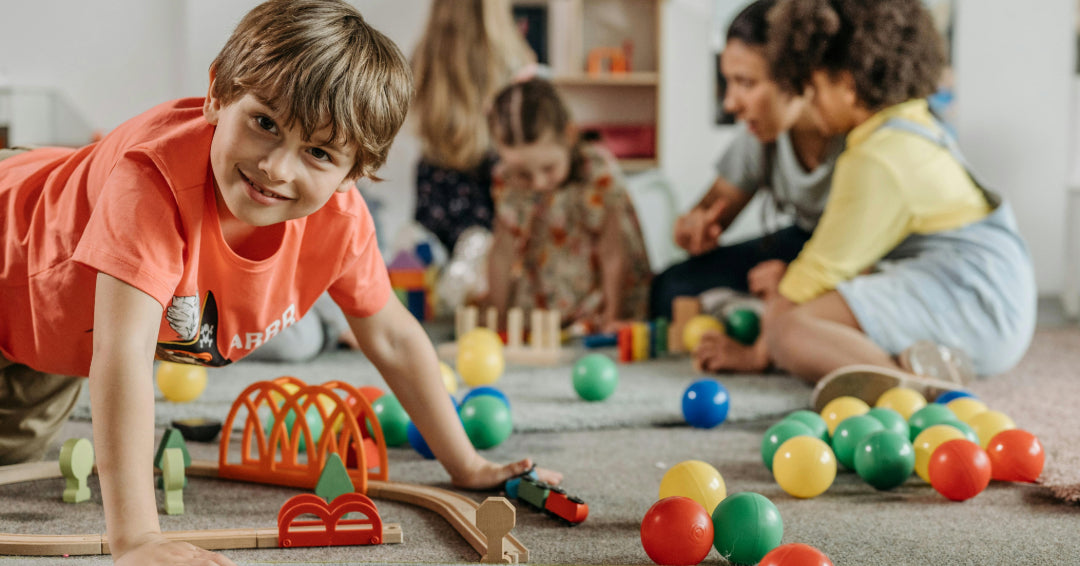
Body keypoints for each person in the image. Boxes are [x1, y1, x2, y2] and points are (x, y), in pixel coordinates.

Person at [0, 2, 560, 565]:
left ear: (354, 173)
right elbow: (122, 352)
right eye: (264, 123)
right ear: (218, 93)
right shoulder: (152, 182)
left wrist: (467, 466)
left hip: (47, 338)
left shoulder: (340, 222)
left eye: (318, 153)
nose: (277, 168)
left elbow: (391, 335)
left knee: (9, 454)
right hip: (11, 237)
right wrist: (138, 539)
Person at [743, 0, 1036, 407]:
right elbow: (853, 259)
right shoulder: (914, 124)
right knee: (815, 314)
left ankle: (914, 392)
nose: (809, 102)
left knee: (788, 331)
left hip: (974, 301)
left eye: (814, 89)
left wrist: (757, 353)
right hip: (992, 294)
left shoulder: (875, 158)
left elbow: (816, 275)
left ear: (847, 83)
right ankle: (919, 362)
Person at [648, 0, 845, 327]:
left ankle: (771, 320)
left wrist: (799, 280)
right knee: (670, 287)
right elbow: (714, 207)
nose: (730, 103)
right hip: (803, 241)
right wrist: (692, 226)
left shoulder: (859, 138)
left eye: (746, 83)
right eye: (728, 82)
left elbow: (870, 253)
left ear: (796, 76)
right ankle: (763, 316)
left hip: (861, 257)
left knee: (812, 303)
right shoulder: (761, 137)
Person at [483, 78, 652, 333]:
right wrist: (498, 317)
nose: (538, 183)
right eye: (523, 173)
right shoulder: (507, 180)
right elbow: (502, 252)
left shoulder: (595, 171)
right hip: (543, 296)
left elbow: (613, 251)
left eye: (548, 168)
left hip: (598, 295)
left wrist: (612, 315)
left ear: (570, 135)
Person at [410, 0, 537, 253]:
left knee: (432, 271)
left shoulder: (424, 54)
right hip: (492, 179)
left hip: (436, 178)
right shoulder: (515, 58)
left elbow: (417, 116)